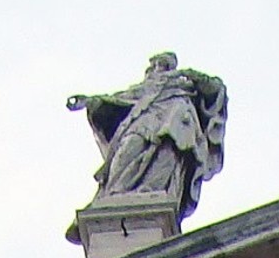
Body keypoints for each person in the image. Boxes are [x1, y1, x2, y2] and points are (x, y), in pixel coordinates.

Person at [66, 53, 229, 224]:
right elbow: (117, 99)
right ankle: (115, 194)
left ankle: (151, 192)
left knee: (167, 155)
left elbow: (215, 90)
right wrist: (89, 102)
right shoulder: (145, 88)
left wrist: (196, 77)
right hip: (144, 121)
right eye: (155, 64)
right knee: (125, 154)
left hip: (176, 119)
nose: (158, 67)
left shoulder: (185, 82)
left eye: (163, 63)